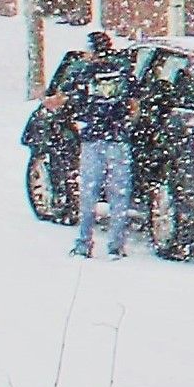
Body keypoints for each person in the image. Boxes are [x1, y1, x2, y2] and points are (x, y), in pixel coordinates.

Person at [58, 28, 140, 257]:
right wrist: (125, 123)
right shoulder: (124, 71)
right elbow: (134, 105)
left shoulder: (82, 72)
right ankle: (116, 246)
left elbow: (62, 99)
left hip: (92, 139)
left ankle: (84, 243)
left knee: (89, 193)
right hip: (118, 139)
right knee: (119, 194)